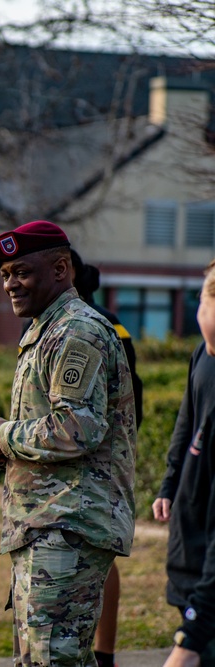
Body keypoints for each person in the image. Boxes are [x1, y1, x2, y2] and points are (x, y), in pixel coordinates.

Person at [0, 220, 136, 667]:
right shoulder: (46, 329)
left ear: (61, 268)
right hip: (47, 523)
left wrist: (4, 434)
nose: (10, 284)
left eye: (21, 272)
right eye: (5, 275)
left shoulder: (77, 331)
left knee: (53, 660)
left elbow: (75, 428)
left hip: (69, 524)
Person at [69, 251, 143, 667]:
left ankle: (99, 654)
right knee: (103, 557)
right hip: (115, 456)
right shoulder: (114, 322)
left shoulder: (79, 326)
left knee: (96, 557)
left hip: (90, 464)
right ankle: (104, 654)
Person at [151, 259, 215, 667]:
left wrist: (189, 640)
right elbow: (187, 420)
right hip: (189, 567)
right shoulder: (203, 354)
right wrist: (170, 482)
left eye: (202, 296)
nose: (198, 309)